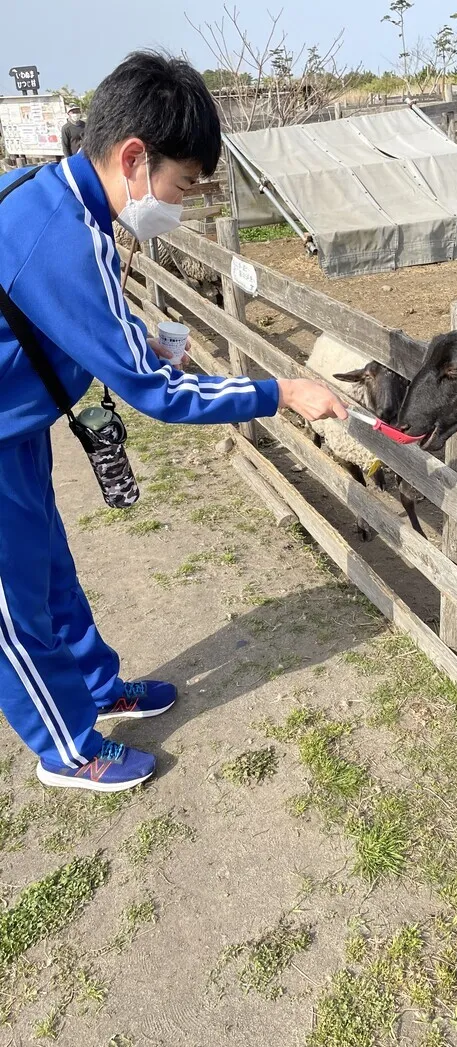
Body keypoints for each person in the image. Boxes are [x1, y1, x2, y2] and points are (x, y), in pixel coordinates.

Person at [0, 52, 347, 794]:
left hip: (14, 423)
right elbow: (162, 395)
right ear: (133, 157)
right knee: (12, 602)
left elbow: (58, 303)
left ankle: (96, 685)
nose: (181, 205)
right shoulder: (68, 237)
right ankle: (66, 747)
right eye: (182, 185)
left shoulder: (52, 193)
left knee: (48, 567)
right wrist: (279, 390)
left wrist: (133, 336)